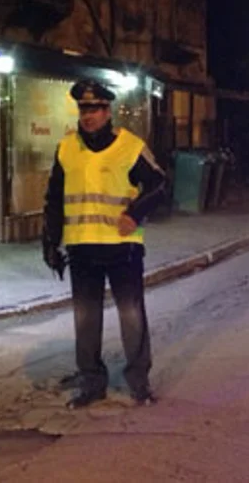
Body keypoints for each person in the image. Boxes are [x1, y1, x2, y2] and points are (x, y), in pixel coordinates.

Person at [42, 79, 167, 409]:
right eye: (83, 109)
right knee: (86, 320)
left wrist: (135, 214)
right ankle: (92, 383)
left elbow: (159, 185)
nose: (88, 115)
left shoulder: (130, 146)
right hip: (82, 248)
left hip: (121, 248)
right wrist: (50, 242)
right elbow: (54, 199)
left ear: (107, 111)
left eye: (95, 109)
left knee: (131, 316)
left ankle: (139, 383)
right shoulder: (66, 148)